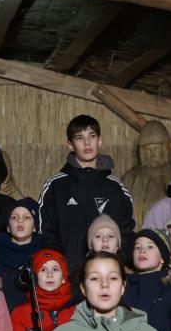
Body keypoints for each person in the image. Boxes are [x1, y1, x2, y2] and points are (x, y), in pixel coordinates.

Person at [38, 115, 136, 276]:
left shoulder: (116, 187)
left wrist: (118, 268)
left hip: (106, 276)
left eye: (92, 136)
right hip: (67, 276)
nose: (87, 142)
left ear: (100, 140)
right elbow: (46, 234)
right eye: (79, 138)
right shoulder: (55, 186)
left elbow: (126, 234)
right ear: (70, 145)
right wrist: (57, 270)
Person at [10, 248, 76, 331]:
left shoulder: (78, 311)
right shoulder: (21, 313)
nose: (49, 274)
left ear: (64, 277)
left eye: (56, 269)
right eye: (43, 269)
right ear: (34, 277)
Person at [123, 227, 171, 331]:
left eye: (150, 247)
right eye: (137, 247)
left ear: (162, 258)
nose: (142, 251)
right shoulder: (121, 285)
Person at [0, 197, 46, 309]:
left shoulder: (44, 255)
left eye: (27, 217)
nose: (20, 221)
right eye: (14, 217)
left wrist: (5, 282)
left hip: (33, 314)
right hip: (0, 313)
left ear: (35, 227)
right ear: (8, 227)